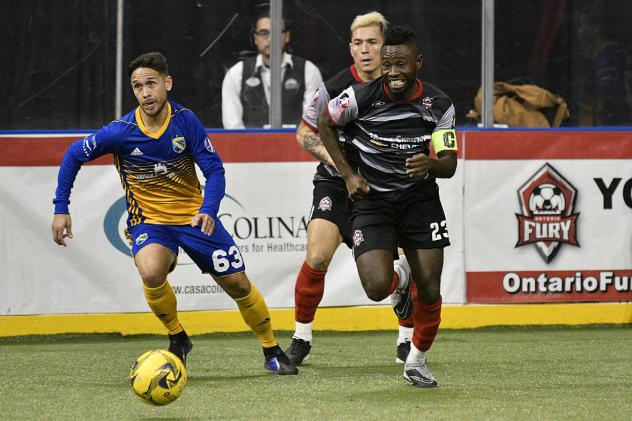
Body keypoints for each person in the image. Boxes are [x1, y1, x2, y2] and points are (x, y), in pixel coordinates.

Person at [51, 52, 297, 375]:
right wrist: (61, 208)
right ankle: (178, 337)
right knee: (151, 272)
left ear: (167, 83)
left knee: (238, 284)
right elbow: (73, 154)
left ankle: (271, 348)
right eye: (137, 86)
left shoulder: (186, 122)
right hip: (150, 222)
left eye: (151, 84)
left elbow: (215, 170)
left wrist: (209, 209)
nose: (144, 93)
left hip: (195, 218)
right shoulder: (120, 131)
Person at [317, 25, 458, 388]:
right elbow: (324, 122)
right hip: (373, 203)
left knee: (429, 290)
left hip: (420, 203)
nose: (393, 73)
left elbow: (450, 164)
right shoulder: (360, 97)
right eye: (388, 64)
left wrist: (431, 164)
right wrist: (348, 175)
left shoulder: (439, 105)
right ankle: (400, 279)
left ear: (418, 63)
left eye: (401, 65)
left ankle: (417, 362)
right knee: (377, 287)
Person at [285, 11, 415, 367]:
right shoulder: (332, 88)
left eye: (372, 42)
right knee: (316, 255)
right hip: (336, 183)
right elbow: (304, 133)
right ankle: (301, 337)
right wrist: (342, 167)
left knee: (401, 262)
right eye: (358, 43)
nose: (365, 50)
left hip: (382, 188)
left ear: (386, 46)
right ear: (351, 48)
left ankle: (406, 338)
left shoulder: (403, 89)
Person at [221, 11, 323, 128]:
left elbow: (311, 126)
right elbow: (233, 129)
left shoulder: (309, 71)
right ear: (255, 38)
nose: (270, 39)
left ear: (287, 36)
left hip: (294, 146)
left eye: (276, 32)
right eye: (264, 33)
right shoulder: (236, 74)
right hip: (251, 145)